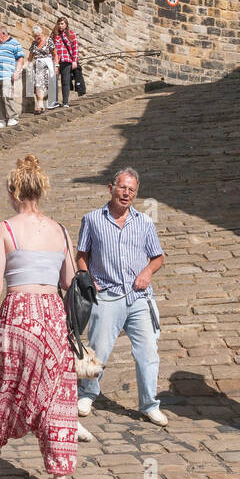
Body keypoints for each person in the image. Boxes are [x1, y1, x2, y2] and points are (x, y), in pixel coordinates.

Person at [0, 155, 79, 479]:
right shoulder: (60, 230)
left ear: (13, 192)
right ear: (41, 190)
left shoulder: (4, 228)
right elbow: (69, 281)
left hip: (17, 314)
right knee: (57, 396)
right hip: (53, 316)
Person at [75, 168, 168, 426]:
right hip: (107, 296)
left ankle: (149, 404)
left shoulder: (144, 222)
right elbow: (81, 255)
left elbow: (158, 257)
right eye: (122, 188)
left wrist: (147, 272)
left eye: (131, 190)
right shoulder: (92, 220)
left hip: (139, 297)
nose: (126, 193)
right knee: (99, 350)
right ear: (111, 188)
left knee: (148, 352)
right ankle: (87, 394)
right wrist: (88, 279)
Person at [0, 28, 26, 127]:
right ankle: (1, 120)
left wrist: (17, 72)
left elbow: (20, 59)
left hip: (7, 74)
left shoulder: (14, 43)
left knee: (7, 96)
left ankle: (13, 117)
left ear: (4, 34)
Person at [52, 16, 79, 108]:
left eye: (62, 24)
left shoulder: (71, 34)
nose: (60, 25)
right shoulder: (54, 34)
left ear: (66, 24)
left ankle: (65, 102)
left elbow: (75, 48)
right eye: (59, 24)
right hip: (56, 61)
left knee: (65, 81)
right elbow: (50, 48)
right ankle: (54, 102)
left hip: (67, 60)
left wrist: (75, 61)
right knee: (53, 81)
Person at [28, 25, 55, 112]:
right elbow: (30, 58)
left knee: (41, 85)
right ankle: (40, 105)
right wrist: (27, 67)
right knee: (37, 85)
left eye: (38, 36)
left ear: (41, 33)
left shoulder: (48, 41)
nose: (36, 38)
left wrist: (57, 65)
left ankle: (40, 104)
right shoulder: (34, 44)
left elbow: (55, 54)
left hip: (46, 66)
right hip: (36, 66)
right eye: (34, 36)